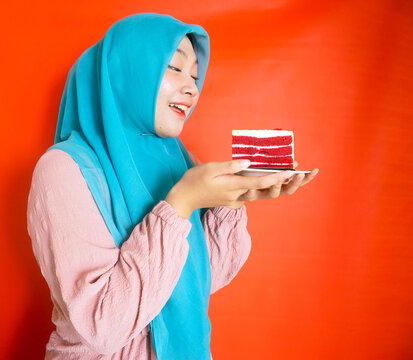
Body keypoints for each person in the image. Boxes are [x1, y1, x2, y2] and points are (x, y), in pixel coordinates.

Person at [27, 13, 318, 360]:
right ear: (128, 71)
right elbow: (101, 325)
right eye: (175, 68)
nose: (192, 88)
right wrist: (180, 203)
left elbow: (202, 281)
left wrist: (235, 198)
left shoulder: (179, 162)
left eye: (195, 75)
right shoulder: (62, 169)